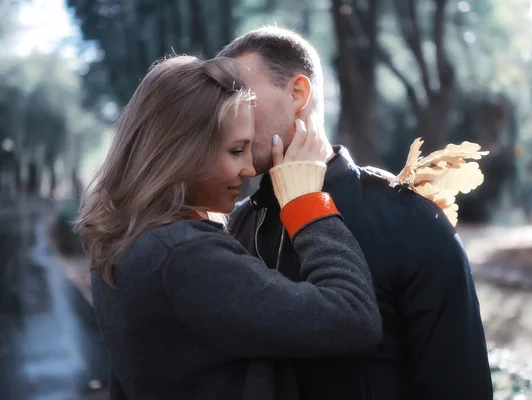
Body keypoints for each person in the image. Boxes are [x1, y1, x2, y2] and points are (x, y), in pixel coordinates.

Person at [75, 55, 382, 400]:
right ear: (181, 152)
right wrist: (307, 203)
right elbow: (354, 316)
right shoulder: (182, 255)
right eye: (236, 151)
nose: (250, 169)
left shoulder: (125, 239)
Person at [219, 27, 494, 399]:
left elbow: (459, 384)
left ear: (298, 93)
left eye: (240, 95)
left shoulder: (410, 221)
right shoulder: (234, 228)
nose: (224, 114)